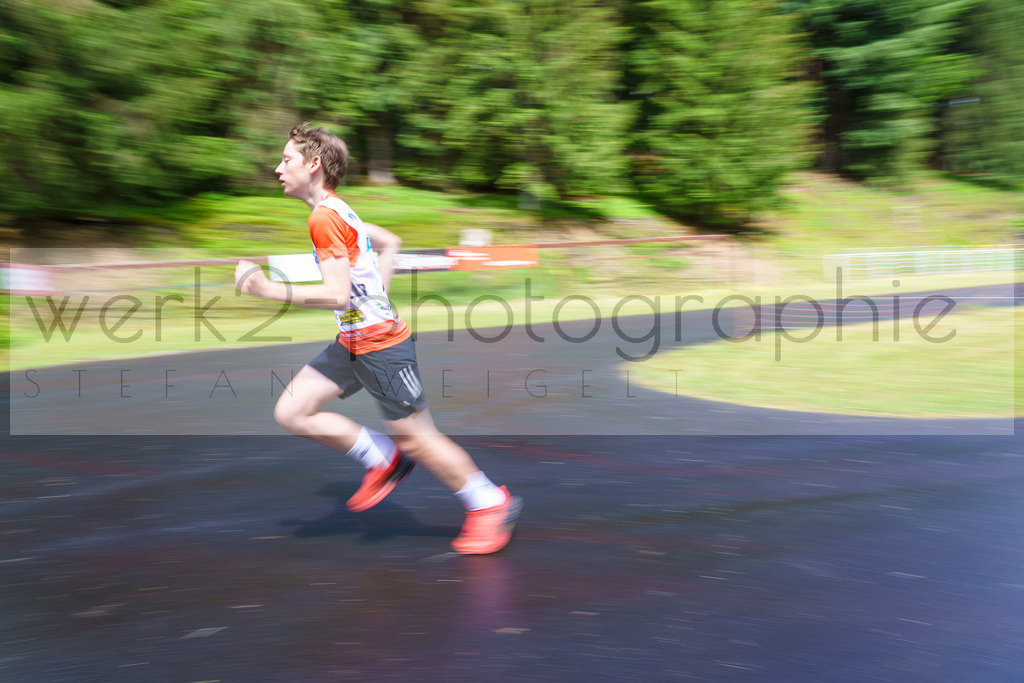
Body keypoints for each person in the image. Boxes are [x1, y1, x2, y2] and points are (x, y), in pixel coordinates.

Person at [234, 123, 520, 554]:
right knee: (293, 411)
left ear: (313, 165)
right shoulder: (339, 211)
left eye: (286, 159)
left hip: (381, 346)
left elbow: (337, 294)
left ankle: (488, 502)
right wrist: (375, 294)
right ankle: (383, 458)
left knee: (416, 437)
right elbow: (389, 244)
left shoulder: (325, 217)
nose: (278, 168)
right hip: (353, 341)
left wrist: (265, 289)